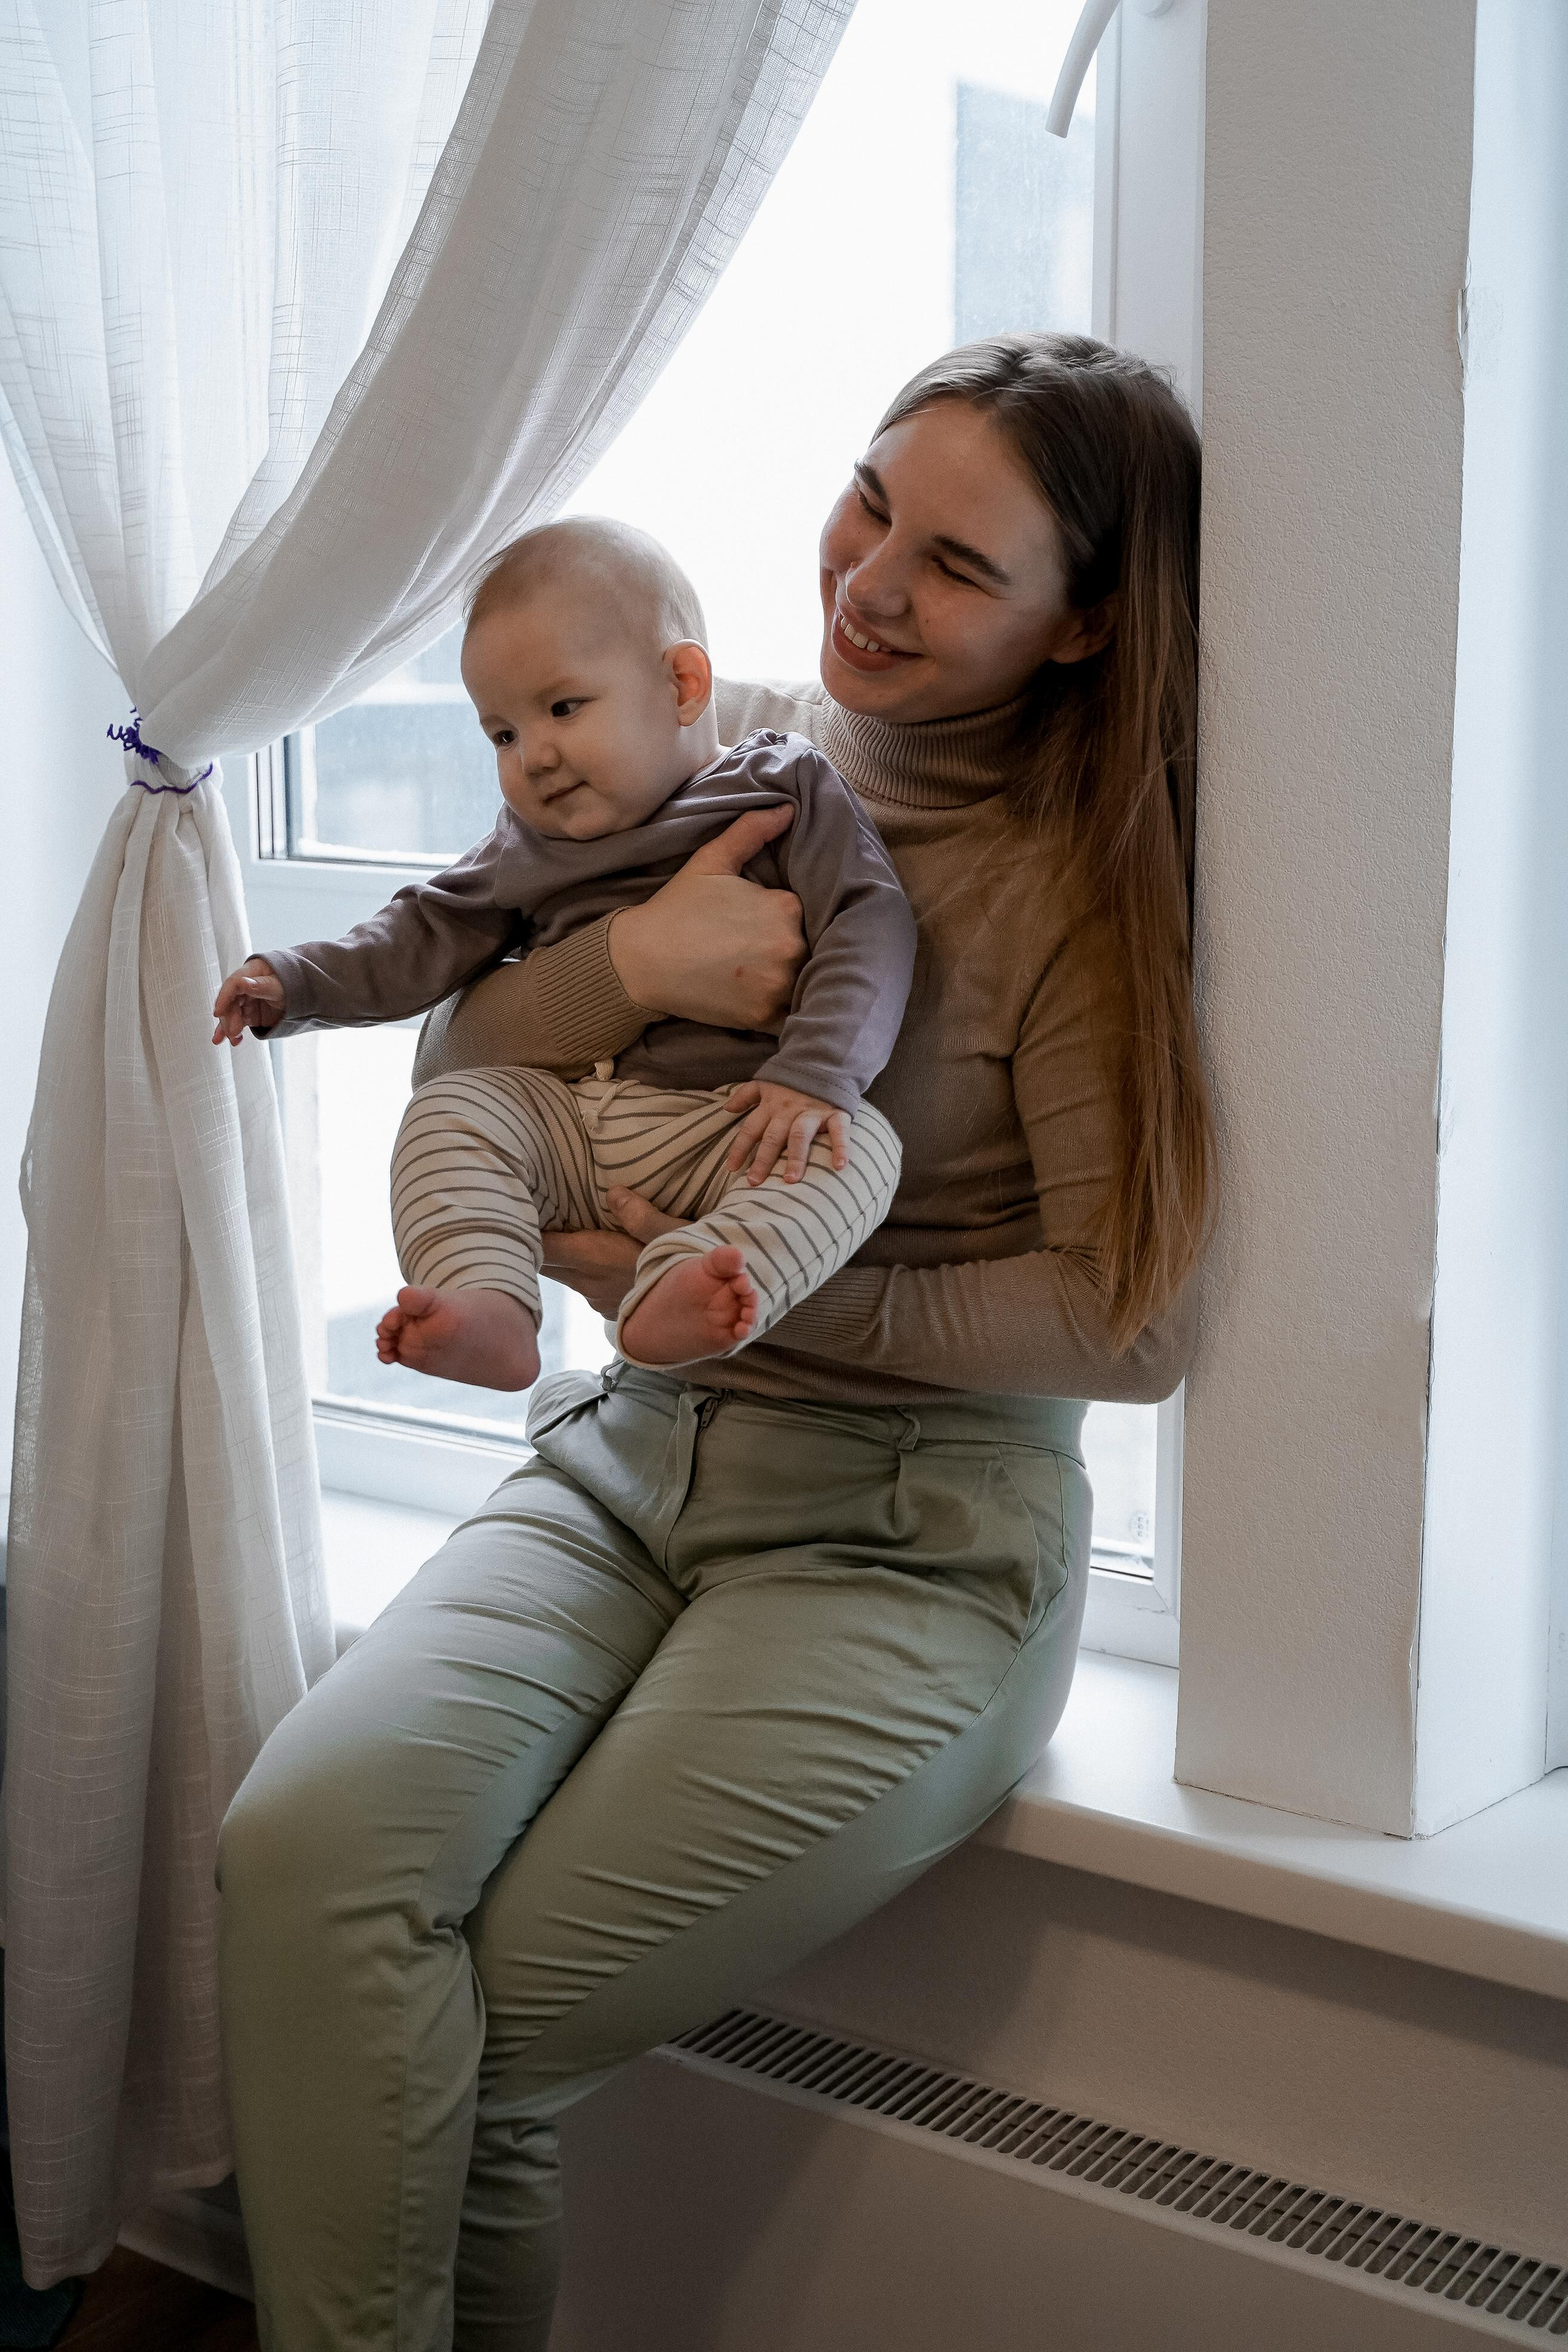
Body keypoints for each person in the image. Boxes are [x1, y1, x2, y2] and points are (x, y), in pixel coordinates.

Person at [216, 333, 1213, 2352]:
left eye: (956, 563)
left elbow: (1132, 1324)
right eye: (868, 500)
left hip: (906, 1537)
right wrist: (627, 966)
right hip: (622, 1461)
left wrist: (770, 1280)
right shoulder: (727, 746)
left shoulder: (1069, 896)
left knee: (462, 2042)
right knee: (297, 1857)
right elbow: (466, 1057)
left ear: (1085, 625)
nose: (866, 581)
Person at [210, 519, 913, 1379]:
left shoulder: (779, 783)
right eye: (501, 734)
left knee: (859, 1148)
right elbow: (422, 930)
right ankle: (490, 1305)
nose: (533, 757)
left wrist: (815, 1072)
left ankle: (689, 1285)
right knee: (451, 1113)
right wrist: (296, 980)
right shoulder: (525, 841)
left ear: (683, 684)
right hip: (568, 1125)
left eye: (563, 709)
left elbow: (867, 921)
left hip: (726, 1127)